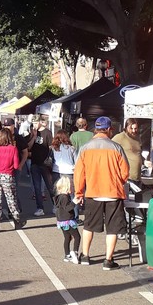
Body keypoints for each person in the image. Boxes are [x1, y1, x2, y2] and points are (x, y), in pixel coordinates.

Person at [73, 115, 130, 270]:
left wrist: (78, 193)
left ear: (95, 129)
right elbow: (125, 172)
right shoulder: (116, 147)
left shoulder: (85, 148)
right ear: (109, 129)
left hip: (93, 192)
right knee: (113, 228)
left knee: (89, 225)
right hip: (113, 193)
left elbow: (79, 173)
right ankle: (108, 260)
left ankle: (85, 255)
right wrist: (118, 182)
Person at [0, 130, 23, 232]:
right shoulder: (13, 149)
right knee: (11, 200)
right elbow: (16, 165)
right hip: (8, 176)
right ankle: (16, 221)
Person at [53, 176, 81, 264]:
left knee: (67, 237)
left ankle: (67, 255)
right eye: (72, 186)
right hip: (68, 220)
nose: (73, 188)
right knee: (77, 236)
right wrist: (74, 202)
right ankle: (75, 252)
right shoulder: (64, 197)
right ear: (67, 187)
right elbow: (68, 208)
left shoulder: (59, 197)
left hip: (61, 221)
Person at [30, 115, 54, 217]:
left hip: (45, 164)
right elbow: (28, 147)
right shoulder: (32, 133)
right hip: (34, 163)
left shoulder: (47, 133)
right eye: (33, 123)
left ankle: (55, 205)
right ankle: (40, 208)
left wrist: (49, 159)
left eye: (36, 123)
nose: (34, 125)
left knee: (50, 186)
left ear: (40, 122)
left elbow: (51, 147)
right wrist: (33, 136)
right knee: (37, 187)